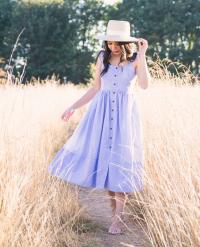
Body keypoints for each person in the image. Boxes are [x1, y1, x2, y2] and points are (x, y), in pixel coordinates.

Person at [48, 20, 150, 235]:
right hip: (100, 116)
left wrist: (142, 54)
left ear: (125, 43)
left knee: (122, 165)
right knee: (97, 155)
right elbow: (95, 89)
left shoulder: (134, 60)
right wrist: (73, 107)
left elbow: (143, 85)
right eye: (110, 42)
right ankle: (109, 209)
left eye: (117, 42)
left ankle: (117, 221)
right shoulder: (102, 58)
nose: (113, 46)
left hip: (124, 119)